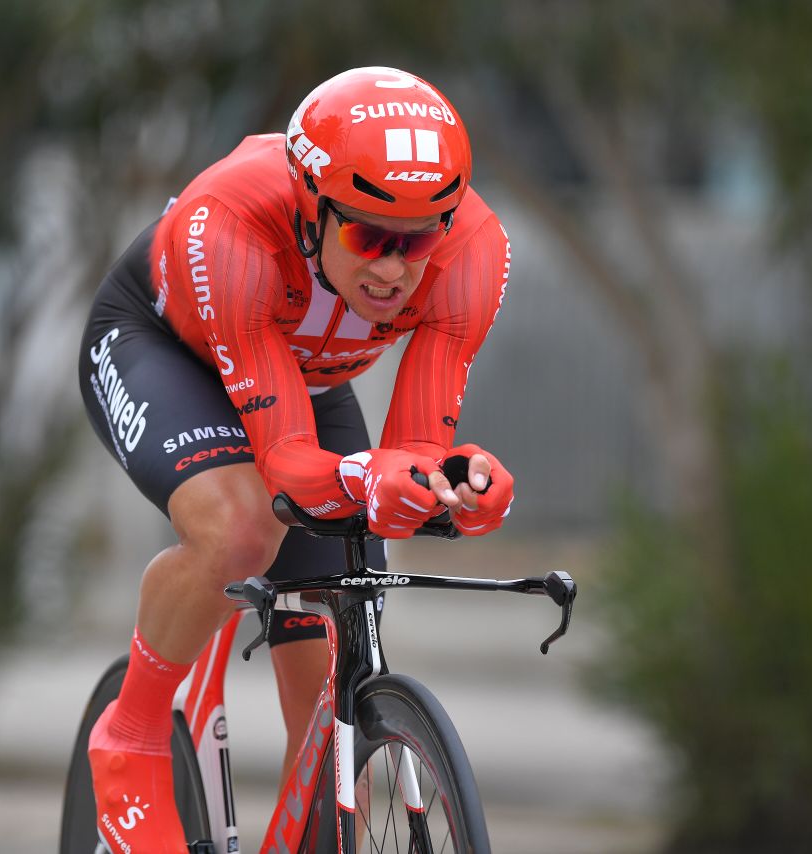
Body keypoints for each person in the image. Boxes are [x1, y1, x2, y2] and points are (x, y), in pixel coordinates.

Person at [78, 65, 514, 852]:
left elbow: (414, 450)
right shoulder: (237, 222)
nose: (393, 267)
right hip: (168, 350)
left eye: (418, 240)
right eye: (368, 236)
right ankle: (133, 731)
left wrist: (455, 485)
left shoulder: (475, 252)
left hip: (308, 381)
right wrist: (362, 476)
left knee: (339, 651)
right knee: (244, 528)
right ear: (313, 206)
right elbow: (287, 464)